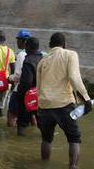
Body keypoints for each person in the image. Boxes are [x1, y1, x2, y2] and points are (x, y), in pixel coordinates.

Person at [37, 32, 92, 168]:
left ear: (50, 45)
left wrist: (40, 105)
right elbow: (74, 78)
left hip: (44, 106)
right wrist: (86, 99)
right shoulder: (70, 55)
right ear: (64, 44)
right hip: (64, 104)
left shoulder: (42, 61)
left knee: (46, 139)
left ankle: (44, 164)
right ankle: (73, 166)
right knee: (74, 138)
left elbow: (38, 87)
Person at [16, 37, 42, 136]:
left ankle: (18, 143)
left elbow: (27, 81)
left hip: (29, 96)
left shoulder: (28, 61)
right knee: (42, 123)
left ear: (28, 47)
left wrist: (20, 94)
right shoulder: (43, 59)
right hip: (41, 95)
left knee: (22, 123)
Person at [7, 30, 31, 127]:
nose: (17, 42)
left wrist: (9, 78)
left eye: (18, 40)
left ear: (23, 41)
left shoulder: (21, 55)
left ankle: (11, 136)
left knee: (11, 115)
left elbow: (17, 75)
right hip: (32, 91)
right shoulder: (36, 54)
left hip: (19, 90)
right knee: (31, 114)